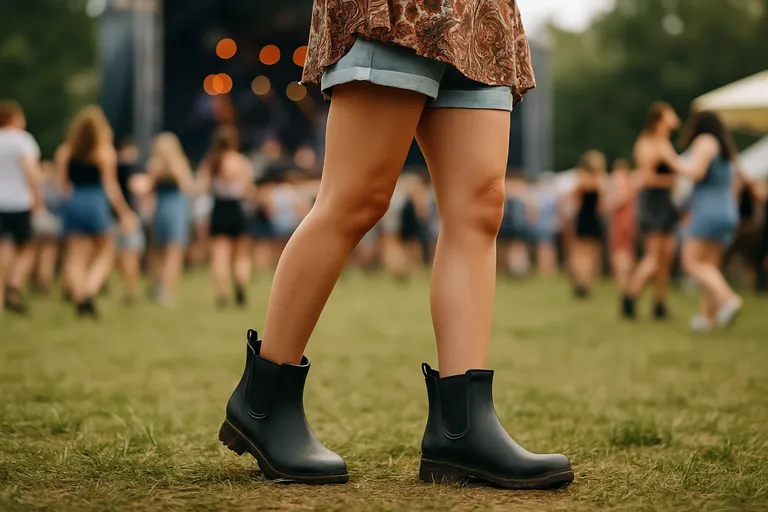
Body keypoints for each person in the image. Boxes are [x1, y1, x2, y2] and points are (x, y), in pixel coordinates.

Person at [218, 1, 573, 489]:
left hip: (477, 16)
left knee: (480, 208)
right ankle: (264, 403)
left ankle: (462, 428)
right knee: (356, 197)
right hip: (398, 9)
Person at [58, 106, 136, 317]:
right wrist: (124, 212)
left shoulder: (65, 152)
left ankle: (79, 293)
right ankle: (89, 290)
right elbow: (111, 187)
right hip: (95, 202)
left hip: (75, 201)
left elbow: (63, 186)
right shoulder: (104, 152)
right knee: (106, 251)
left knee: (74, 255)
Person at [674, 112, 742, 331]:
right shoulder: (726, 148)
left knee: (691, 262)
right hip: (727, 209)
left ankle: (728, 298)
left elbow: (697, 173)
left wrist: (673, 163)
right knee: (710, 266)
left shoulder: (704, 141)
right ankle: (707, 318)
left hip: (707, 208)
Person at [622, 102, 681, 319]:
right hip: (654, 202)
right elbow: (645, 178)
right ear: (660, 119)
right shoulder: (647, 143)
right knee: (653, 256)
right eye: (670, 114)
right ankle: (630, 296)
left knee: (666, 256)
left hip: (665, 202)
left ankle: (659, 303)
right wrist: (670, 181)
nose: (675, 118)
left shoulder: (663, 143)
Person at [197, 125, 253, 308]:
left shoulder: (210, 162)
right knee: (240, 256)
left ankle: (222, 295)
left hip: (219, 208)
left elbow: (202, 187)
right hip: (236, 208)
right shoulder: (240, 161)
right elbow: (247, 189)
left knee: (219, 256)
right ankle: (240, 286)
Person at [0, 101, 42, 315]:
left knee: (3, 249)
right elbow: (30, 172)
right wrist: (37, 198)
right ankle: (14, 284)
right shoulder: (22, 141)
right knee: (26, 249)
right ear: (14, 118)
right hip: (19, 202)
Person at [145, 133, 195, 306]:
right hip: (176, 209)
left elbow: (147, 189)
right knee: (174, 252)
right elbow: (188, 187)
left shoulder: (154, 165)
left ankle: (157, 287)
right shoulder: (179, 164)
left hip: (160, 208)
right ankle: (166, 291)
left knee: (157, 251)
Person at [571, 151, 607, 297]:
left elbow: (575, 200)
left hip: (583, 216)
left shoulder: (580, 178)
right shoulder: (599, 180)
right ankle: (586, 281)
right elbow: (602, 204)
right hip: (593, 217)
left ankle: (580, 281)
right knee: (590, 253)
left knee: (580, 251)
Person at [114, 139, 146, 305]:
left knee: (119, 254)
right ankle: (130, 289)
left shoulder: (111, 166)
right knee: (130, 254)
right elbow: (139, 188)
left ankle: (127, 288)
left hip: (112, 216)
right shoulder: (129, 168)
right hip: (127, 215)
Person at [31, 160, 65, 294]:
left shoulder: (35, 183)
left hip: (35, 223)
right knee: (48, 254)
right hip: (52, 224)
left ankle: (36, 281)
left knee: (34, 253)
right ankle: (44, 282)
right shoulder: (56, 186)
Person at [608, 159, 638, 294]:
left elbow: (618, 199)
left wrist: (609, 204)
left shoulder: (619, 180)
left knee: (621, 252)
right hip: (629, 219)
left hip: (621, 220)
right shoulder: (630, 180)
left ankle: (623, 283)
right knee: (627, 251)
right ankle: (625, 281)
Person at [534, 173, 560, 277]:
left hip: (544, 226)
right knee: (548, 247)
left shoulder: (541, 197)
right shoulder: (551, 197)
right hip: (548, 226)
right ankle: (547, 269)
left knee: (545, 247)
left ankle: (546, 269)